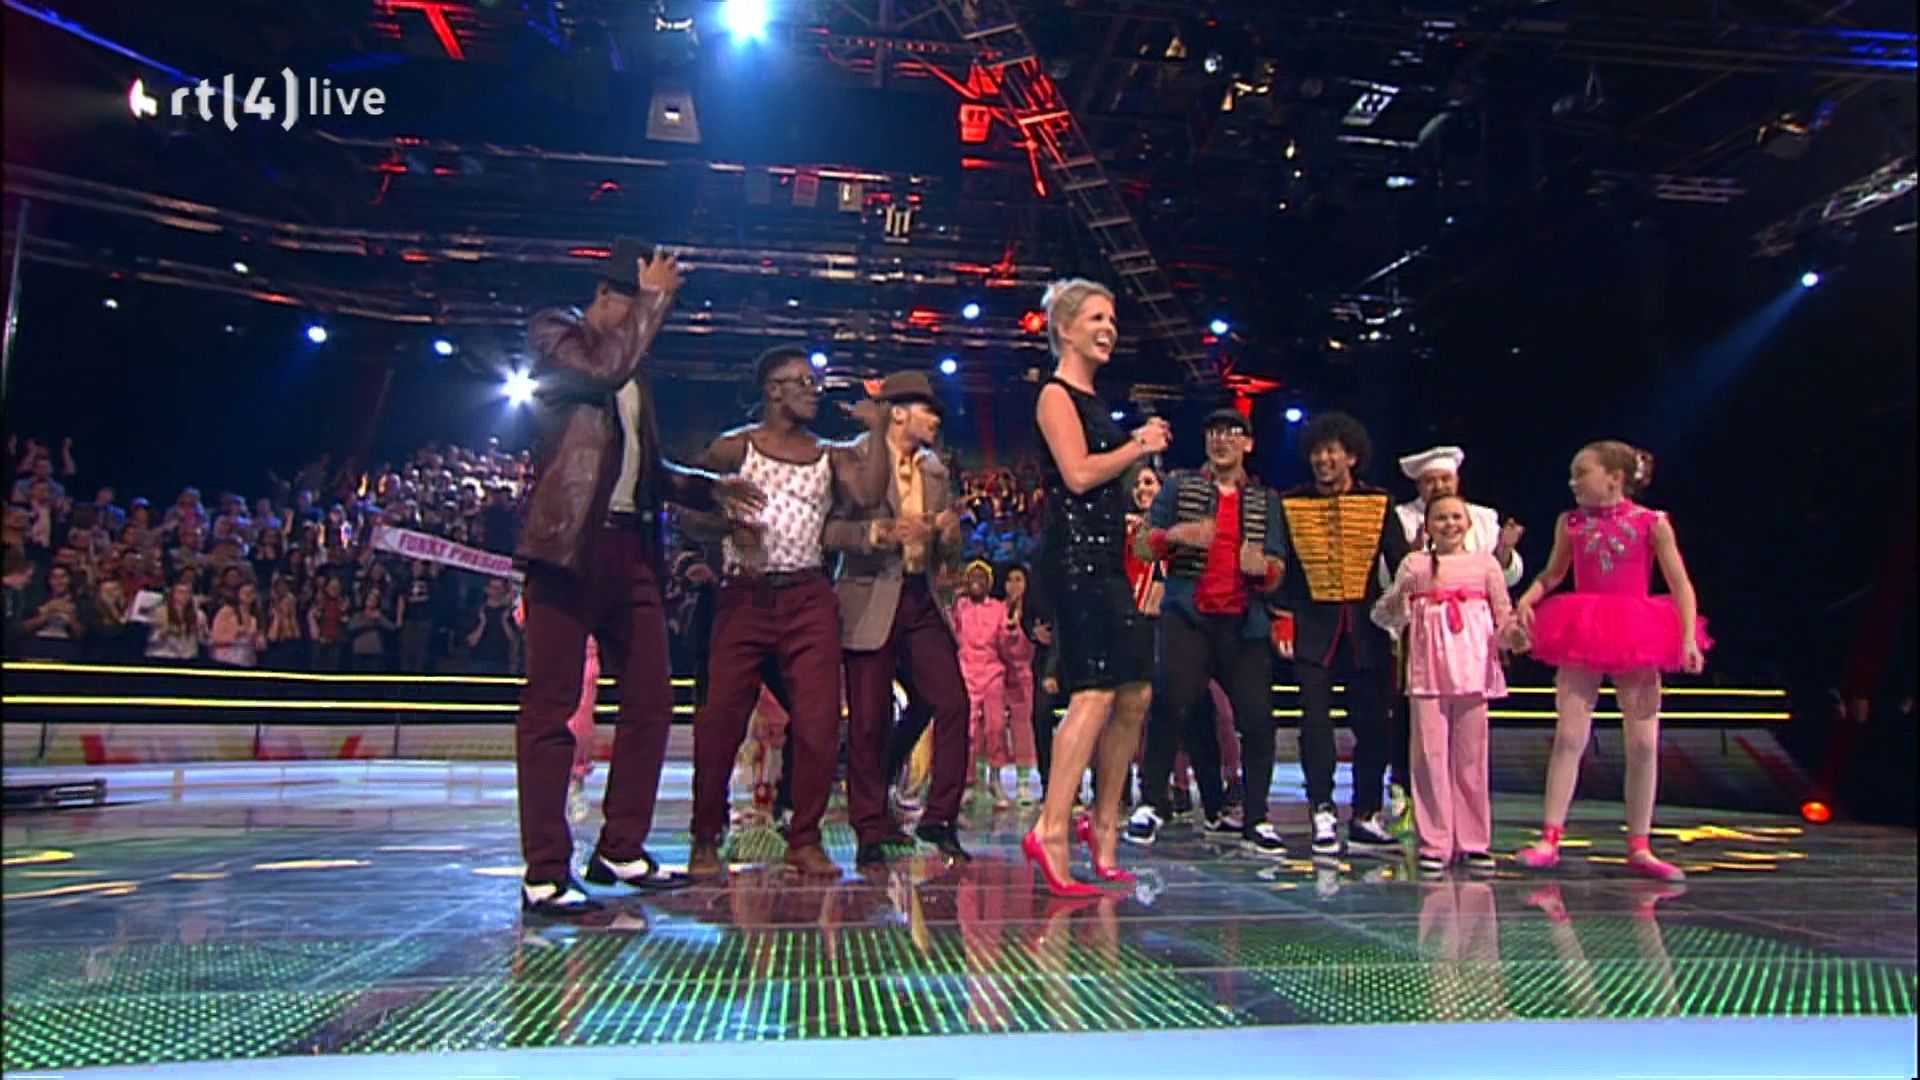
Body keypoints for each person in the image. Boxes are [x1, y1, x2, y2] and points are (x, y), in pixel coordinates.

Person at [512, 238, 763, 917]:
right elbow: (600, 368)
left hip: (630, 550)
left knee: (651, 699)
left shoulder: (632, 373)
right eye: (636, 301)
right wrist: (652, 304)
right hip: (568, 547)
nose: (645, 319)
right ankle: (545, 870)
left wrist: (709, 488)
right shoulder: (556, 335)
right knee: (552, 706)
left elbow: (646, 468)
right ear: (604, 297)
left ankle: (621, 846)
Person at [679, 345, 888, 880]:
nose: (814, 390)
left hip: (808, 594)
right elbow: (687, 514)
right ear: (773, 389)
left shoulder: (829, 454)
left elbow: (867, 495)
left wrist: (880, 429)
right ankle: (705, 836)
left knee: (819, 720)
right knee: (722, 719)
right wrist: (726, 526)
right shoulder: (734, 448)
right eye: (802, 382)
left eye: (815, 381)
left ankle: (805, 837)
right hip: (744, 596)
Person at [1026, 278, 1170, 896]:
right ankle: (1051, 829)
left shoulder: (1094, 399)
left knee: (1135, 692)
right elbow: (1079, 475)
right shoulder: (1055, 395)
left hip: (1111, 557)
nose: (1108, 328)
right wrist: (1137, 445)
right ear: (1064, 329)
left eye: (1112, 318)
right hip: (1076, 560)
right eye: (1095, 318)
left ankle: (1104, 827)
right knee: (1092, 692)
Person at [1512, 442, 1709, 883]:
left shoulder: (1651, 522)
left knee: (1643, 743)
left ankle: (1640, 843)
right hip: (1583, 626)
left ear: (1614, 478)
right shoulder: (1571, 522)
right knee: (1569, 735)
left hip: (1637, 629)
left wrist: (1686, 637)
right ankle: (1550, 837)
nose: (1573, 482)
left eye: (1582, 473)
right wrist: (1529, 597)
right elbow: (1554, 573)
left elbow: (1680, 584)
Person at [822, 370, 973, 869]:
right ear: (900, 412)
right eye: (928, 411)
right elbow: (828, 532)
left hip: (918, 597)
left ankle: (940, 818)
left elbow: (946, 555)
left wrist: (947, 534)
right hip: (869, 594)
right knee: (868, 719)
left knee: (950, 701)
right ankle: (869, 826)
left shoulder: (935, 471)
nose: (936, 420)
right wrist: (877, 534)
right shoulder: (851, 458)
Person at [1128, 407, 1287, 855]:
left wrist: (1264, 570)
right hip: (1188, 616)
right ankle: (1151, 802)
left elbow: (1279, 565)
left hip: (1243, 624)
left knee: (1258, 720)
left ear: (1247, 443)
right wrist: (1174, 537)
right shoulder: (1179, 487)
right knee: (1169, 704)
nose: (1222, 440)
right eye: (1214, 432)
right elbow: (1142, 545)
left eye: (1232, 433)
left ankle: (1257, 816)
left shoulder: (1265, 501)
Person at [1274, 411, 1412, 856]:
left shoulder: (1379, 502)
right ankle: (1321, 809)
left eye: (1331, 451)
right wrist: (1282, 617)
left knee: (1372, 725)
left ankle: (1367, 813)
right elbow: (1282, 568)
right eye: (1317, 451)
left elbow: (1402, 565)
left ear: (1351, 456)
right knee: (1314, 721)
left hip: (1366, 632)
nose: (1323, 459)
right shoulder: (1289, 503)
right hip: (1311, 630)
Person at [1372, 494, 1515, 877]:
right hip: (1428, 674)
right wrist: (1400, 598)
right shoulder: (1415, 564)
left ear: (1467, 524)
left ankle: (1474, 841)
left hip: (1473, 674)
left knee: (1471, 760)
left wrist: (1515, 636)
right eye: (1441, 518)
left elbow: (1503, 615)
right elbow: (1385, 614)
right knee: (1429, 759)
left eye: (1455, 517)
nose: (1449, 524)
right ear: (1428, 526)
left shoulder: (1485, 565)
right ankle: (1434, 842)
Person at [1386, 446, 1525, 832]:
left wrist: (1512, 633)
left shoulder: (1483, 524)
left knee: (1470, 751)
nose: (1438, 486)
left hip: (1471, 653)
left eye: (1444, 479)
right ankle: (1431, 830)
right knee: (1425, 745)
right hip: (1425, 653)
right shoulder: (1403, 525)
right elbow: (1389, 596)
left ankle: (1472, 835)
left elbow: (1502, 588)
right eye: (1429, 481)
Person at [953, 560, 1017, 809]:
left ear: (989, 583)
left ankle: (995, 779)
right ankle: (968, 782)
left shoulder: (999, 609)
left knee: (996, 727)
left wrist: (1010, 631)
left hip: (992, 673)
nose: (977, 582)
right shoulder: (960, 607)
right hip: (967, 672)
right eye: (973, 577)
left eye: (982, 577)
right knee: (968, 731)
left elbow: (1004, 643)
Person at [998, 563, 1043, 807]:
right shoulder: (997, 609)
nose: (1014, 585)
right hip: (999, 674)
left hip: (1025, 675)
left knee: (1022, 729)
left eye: (1019, 580)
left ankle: (1024, 783)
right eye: (1010, 580)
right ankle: (991, 783)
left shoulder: (1034, 611)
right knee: (991, 727)